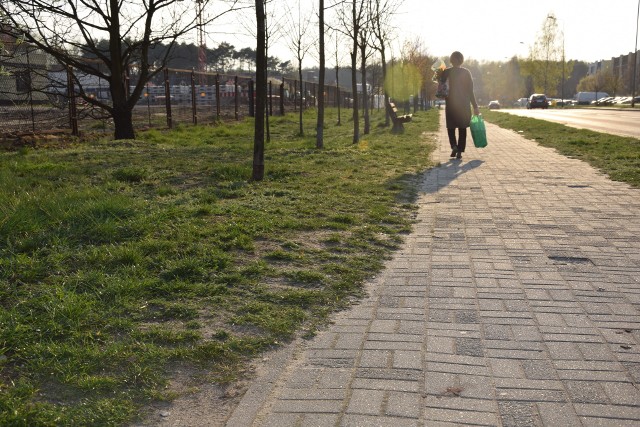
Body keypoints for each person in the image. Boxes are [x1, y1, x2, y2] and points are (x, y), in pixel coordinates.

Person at [441, 51, 480, 160]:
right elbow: (470, 91)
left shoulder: (446, 72)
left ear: (451, 60)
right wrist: (475, 106)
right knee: (462, 128)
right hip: (463, 105)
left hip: (451, 105)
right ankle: (460, 150)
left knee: (451, 127)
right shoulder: (466, 72)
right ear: (461, 60)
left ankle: (454, 146)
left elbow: (440, 84)